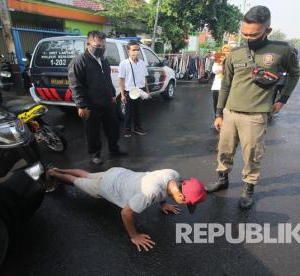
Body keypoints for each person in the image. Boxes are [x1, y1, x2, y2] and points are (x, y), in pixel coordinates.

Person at [206, 5, 300, 209]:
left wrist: (283, 99)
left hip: (256, 115)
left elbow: (294, 74)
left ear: (268, 30)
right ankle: (222, 179)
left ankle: (249, 188)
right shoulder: (235, 53)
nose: (249, 38)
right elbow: (226, 84)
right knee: (224, 150)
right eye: (245, 33)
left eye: (254, 34)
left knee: (252, 154)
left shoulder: (282, 51)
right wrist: (219, 113)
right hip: (230, 112)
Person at [46, 166, 206, 252]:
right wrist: (134, 236)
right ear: (182, 197)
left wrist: (163, 203)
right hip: (107, 186)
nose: (186, 206)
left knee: (87, 174)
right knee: (76, 181)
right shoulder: (150, 193)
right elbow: (126, 212)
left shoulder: (173, 174)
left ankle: (58, 168)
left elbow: (164, 187)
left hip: (118, 172)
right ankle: (53, 174)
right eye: (188, 204)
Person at [68, 31, 126, 165]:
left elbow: (107, 80)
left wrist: (112, 95)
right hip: (90, 105)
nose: (101, 48)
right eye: (98, 45)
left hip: (107, 101)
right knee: (92, 131)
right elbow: (75, 85)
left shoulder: (104, 61)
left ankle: (114, 148)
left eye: (103, 45)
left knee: (113, 126)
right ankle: (95, 154)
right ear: (88, 44)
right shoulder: (79, 62)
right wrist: (81, 105)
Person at [118, 41, 150, 137]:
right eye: (133, 50)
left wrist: (147, 92)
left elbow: (145, 78)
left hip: (140, 91)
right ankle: (127, 129)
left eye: (137, 49)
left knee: (139, 111)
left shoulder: (142, 63)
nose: (136, 52)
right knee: (128, 112)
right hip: (129, 91)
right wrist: (122, 94)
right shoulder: (124, 63)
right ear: (128, 51)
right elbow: (121, 80)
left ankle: (137, 128)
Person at [210, 46, 231, 117]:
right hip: (216, 87)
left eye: (227, 51)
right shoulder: (217, 61)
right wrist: (222, 65)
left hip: (227, 88)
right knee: (216, 105)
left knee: (225, 106)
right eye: (224, 51)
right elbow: (214, 70)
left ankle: (224, 122)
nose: (225, 52)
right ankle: (217, 120)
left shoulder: (231, 61)